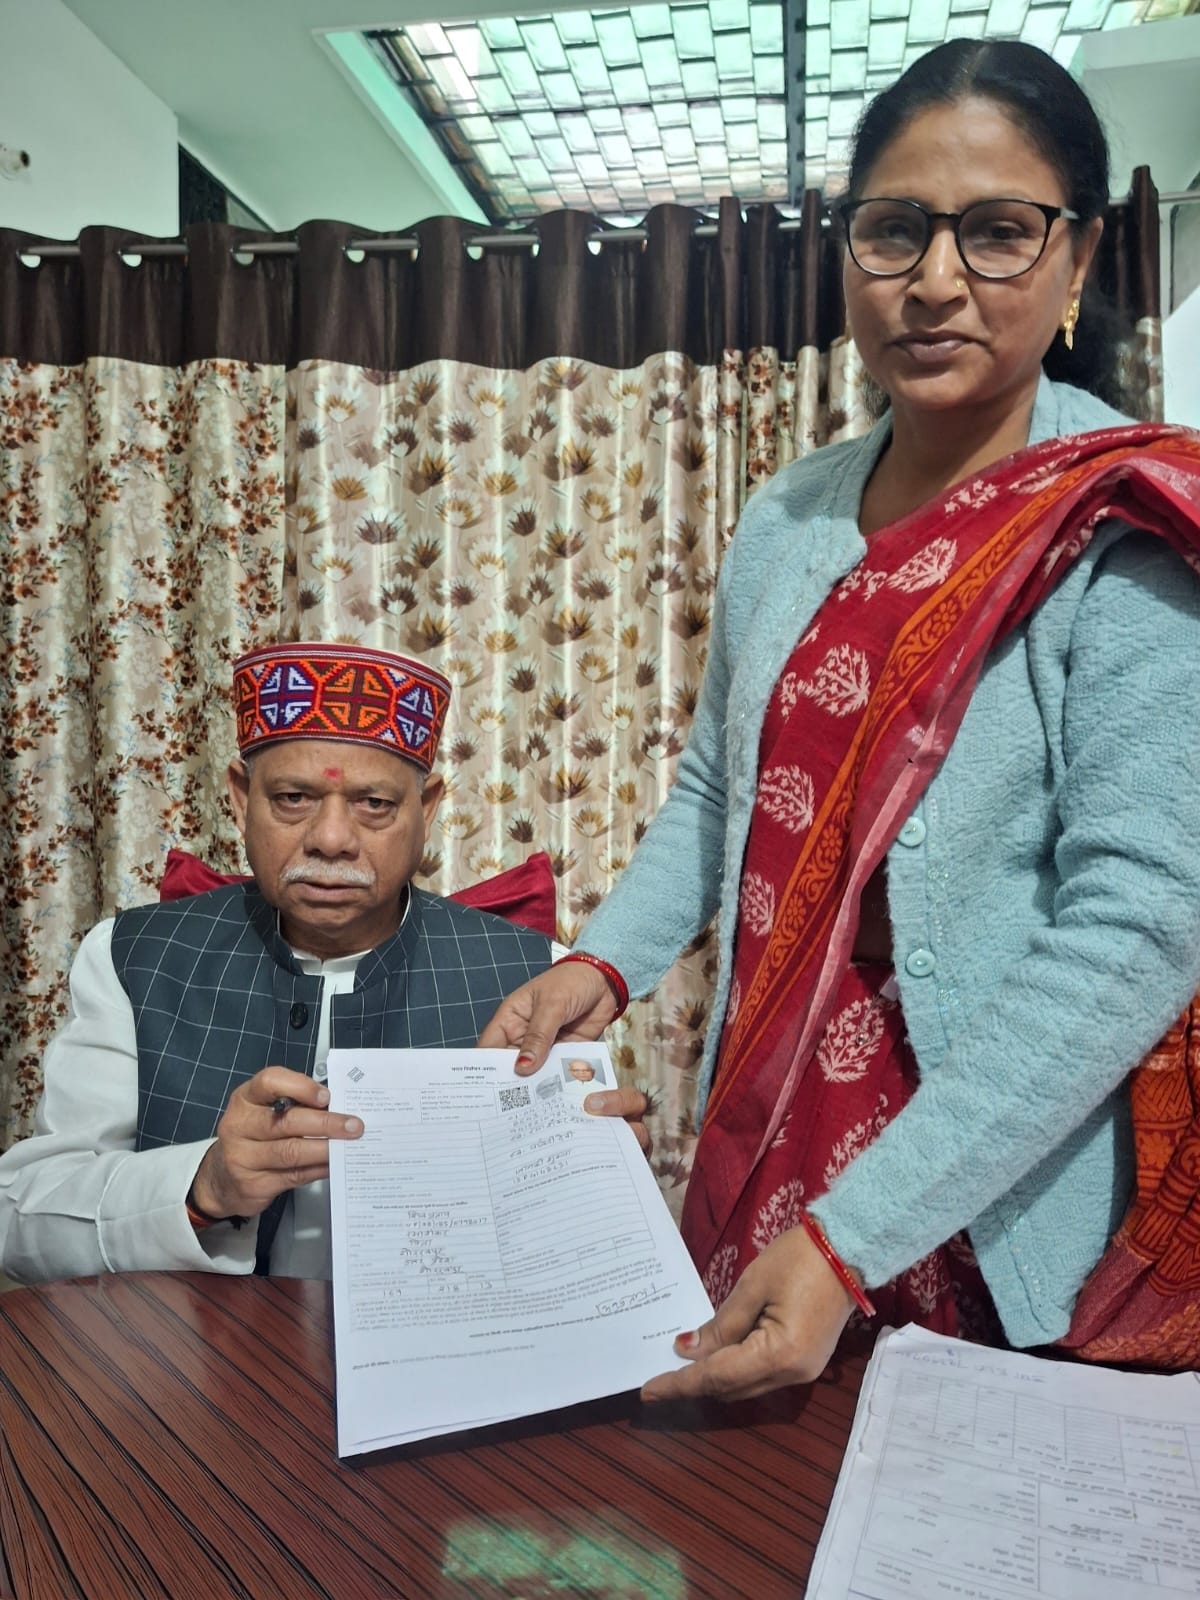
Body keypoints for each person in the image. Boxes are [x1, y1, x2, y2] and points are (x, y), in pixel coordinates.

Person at [482, 38, 1200, 1399]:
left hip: (991, 1191)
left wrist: (851, 1239)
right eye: (895, 228)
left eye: (999, 231)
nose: (936, 281)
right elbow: (720, 790)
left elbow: (1140, 928)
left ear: (1080, 258)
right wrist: (603, 967)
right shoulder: (789, 515)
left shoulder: (1125, 528)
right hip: (775, 1129)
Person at [0, 642, 644, 1283]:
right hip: (185, 1347)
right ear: (240, 798)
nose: (331, 840)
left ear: (428, 809)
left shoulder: (537, 976)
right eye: (292, 798)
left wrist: (596, 1185)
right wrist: (204, 1186)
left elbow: (574, 1257)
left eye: (375, 804)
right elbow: (20, 1226)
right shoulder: (132, 957)